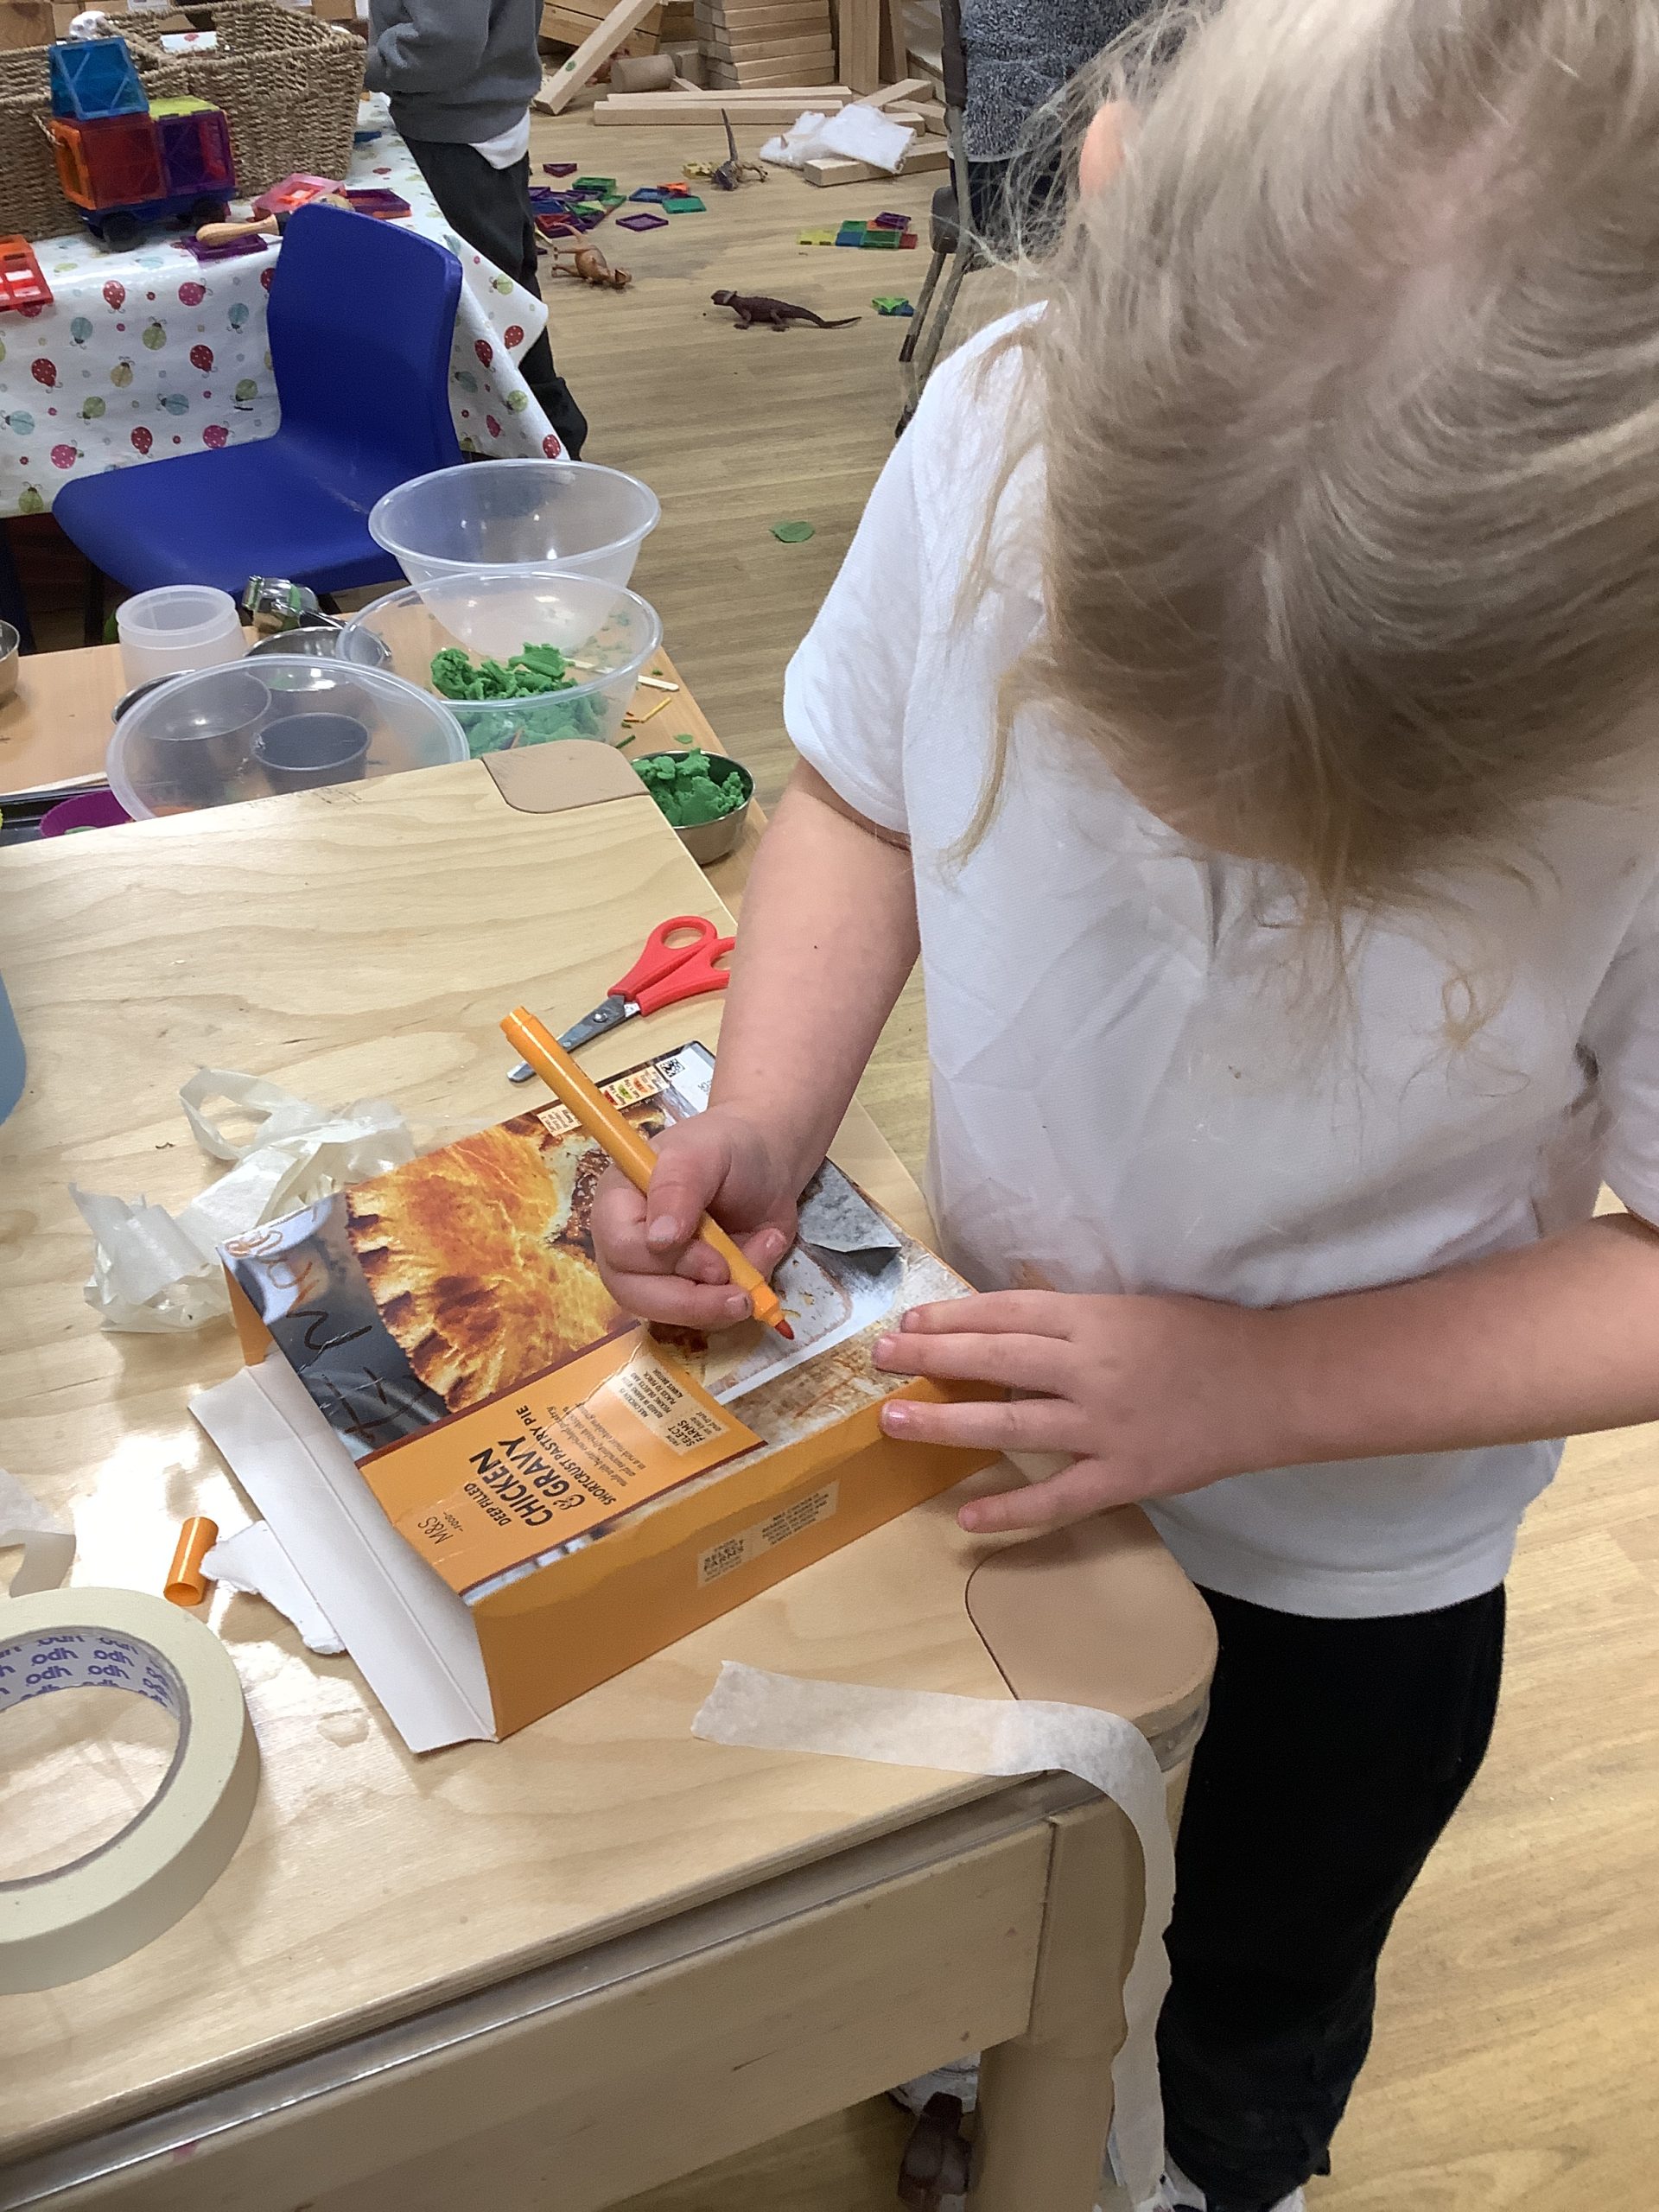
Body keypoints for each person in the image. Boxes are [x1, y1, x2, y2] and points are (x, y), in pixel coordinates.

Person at [591, 0, 1659, 2206]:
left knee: (1252, 1965)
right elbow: (858, 794)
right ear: (1102, 201)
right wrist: (766, 1112)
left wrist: (1256, 1384)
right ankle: (994, 2058)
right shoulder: (999, 414)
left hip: (1358, 1556)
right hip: (989, 1432)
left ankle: (1212, 2163)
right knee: (1012, 1837)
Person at [365, 0, 589, 458]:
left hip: (457, 128)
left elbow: (446, 43)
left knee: (483, 301)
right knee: (504, 287)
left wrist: (359, 64)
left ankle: (534, 448)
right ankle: (545, 437)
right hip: (480, 114)